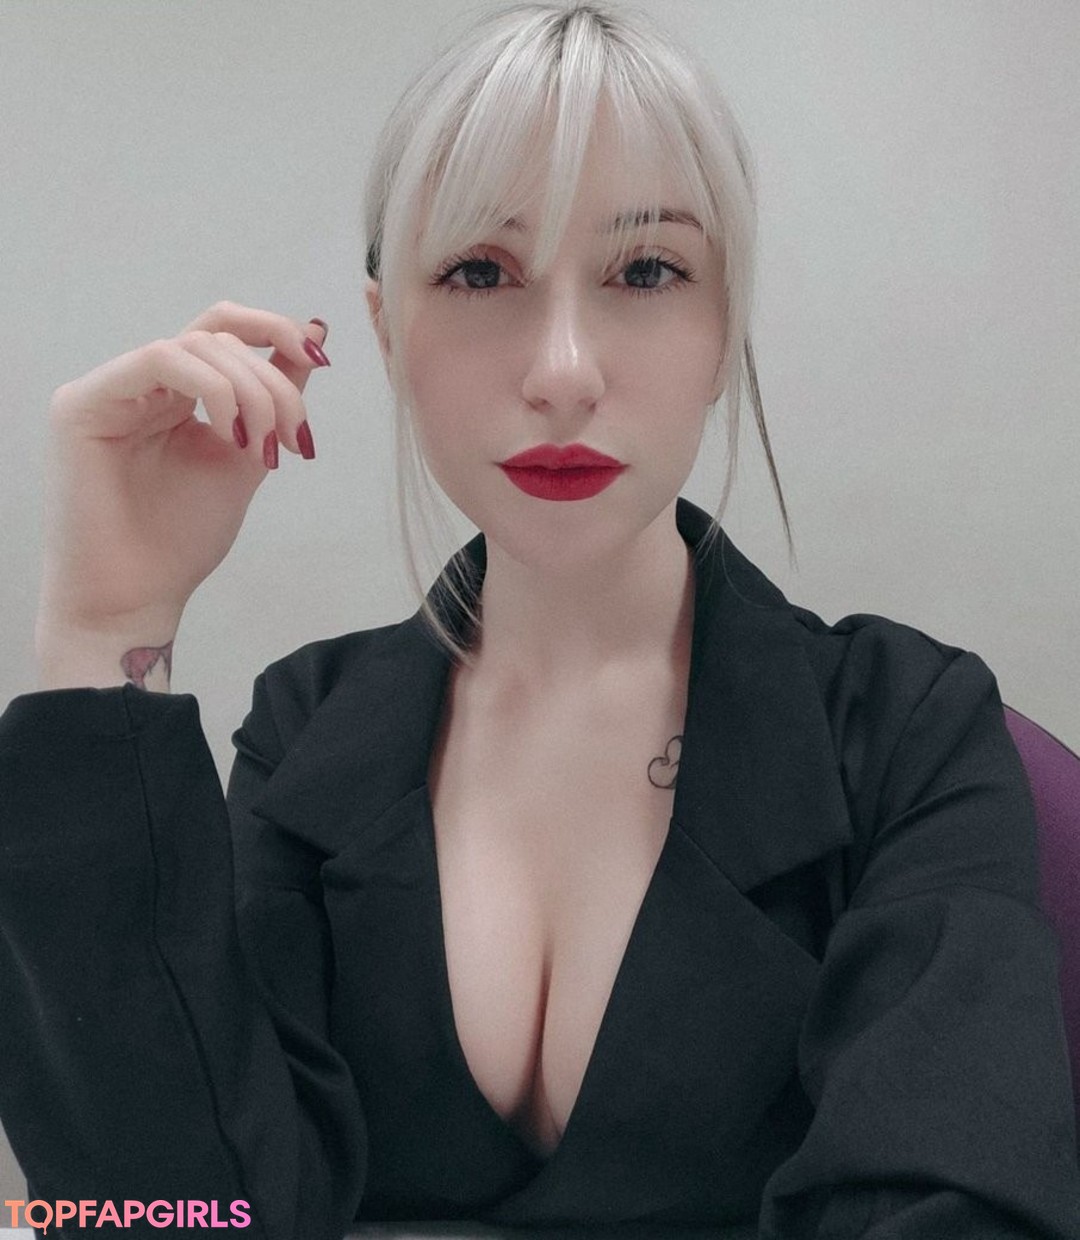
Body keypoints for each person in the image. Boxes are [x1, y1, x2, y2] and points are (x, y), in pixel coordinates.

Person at [0, 2, 1077, 1237]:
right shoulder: (308, 733)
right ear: (385, 332)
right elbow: (176, 1209)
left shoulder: (907, 731)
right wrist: (106, 631)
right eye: (479, 271)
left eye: (647, 270)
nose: (563, 369)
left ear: (723, 328)